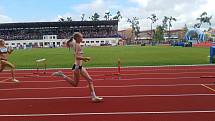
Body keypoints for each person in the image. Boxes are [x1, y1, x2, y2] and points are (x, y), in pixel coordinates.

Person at [52, 32, 103, 103]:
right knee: (75, 84)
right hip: (77, 67)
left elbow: (69, 43)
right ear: (77, 38)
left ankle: (94, 97)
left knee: (90, 80)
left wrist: (67, 41)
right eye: (81, 37)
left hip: (80, 66)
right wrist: (85, 58)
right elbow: (76, 57)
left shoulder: (75, 43)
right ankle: (62, 75)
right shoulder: (77, 45)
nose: (82, 38)